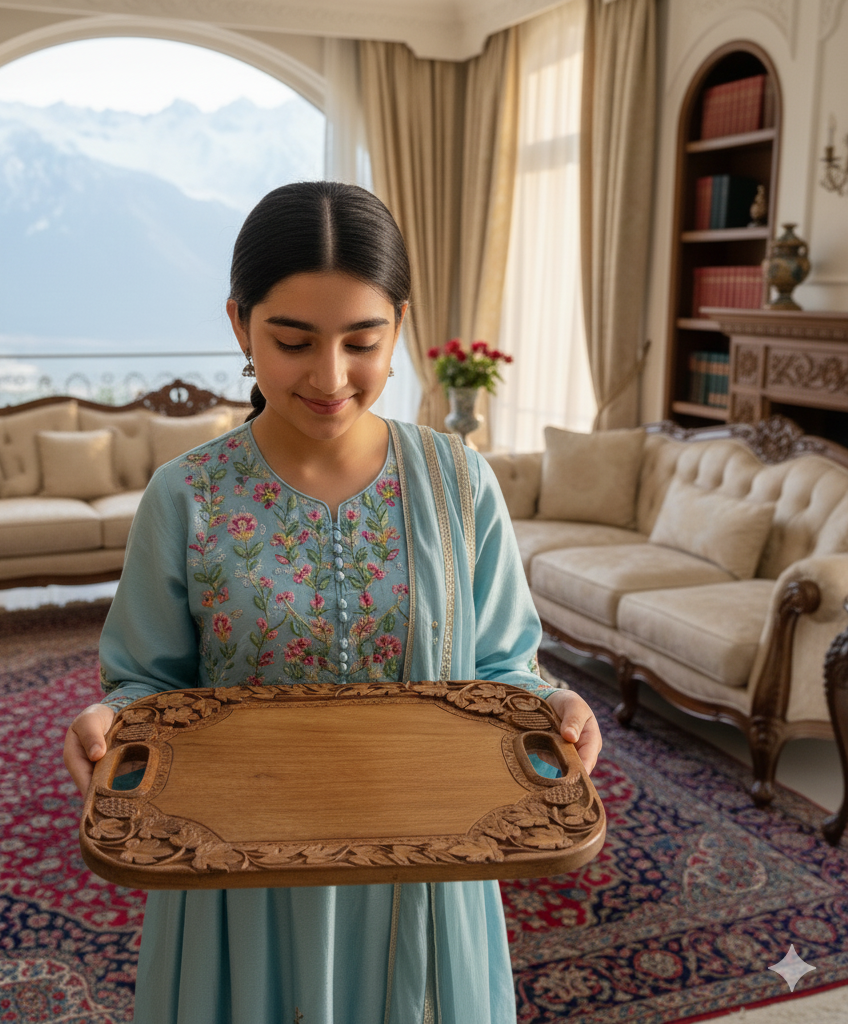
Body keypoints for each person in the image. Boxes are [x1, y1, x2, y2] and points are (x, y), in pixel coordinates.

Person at [64, 180, 602, 1024]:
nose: (330, 376)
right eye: (293, 341)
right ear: (240, 325)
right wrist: (111, 726)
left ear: (401, 328)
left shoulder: (460, 485)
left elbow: (503, 672)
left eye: (363, 340)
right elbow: (147, 689)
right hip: (237, 880)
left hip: (428, 875)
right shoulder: (187, 496)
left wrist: (555, 704)